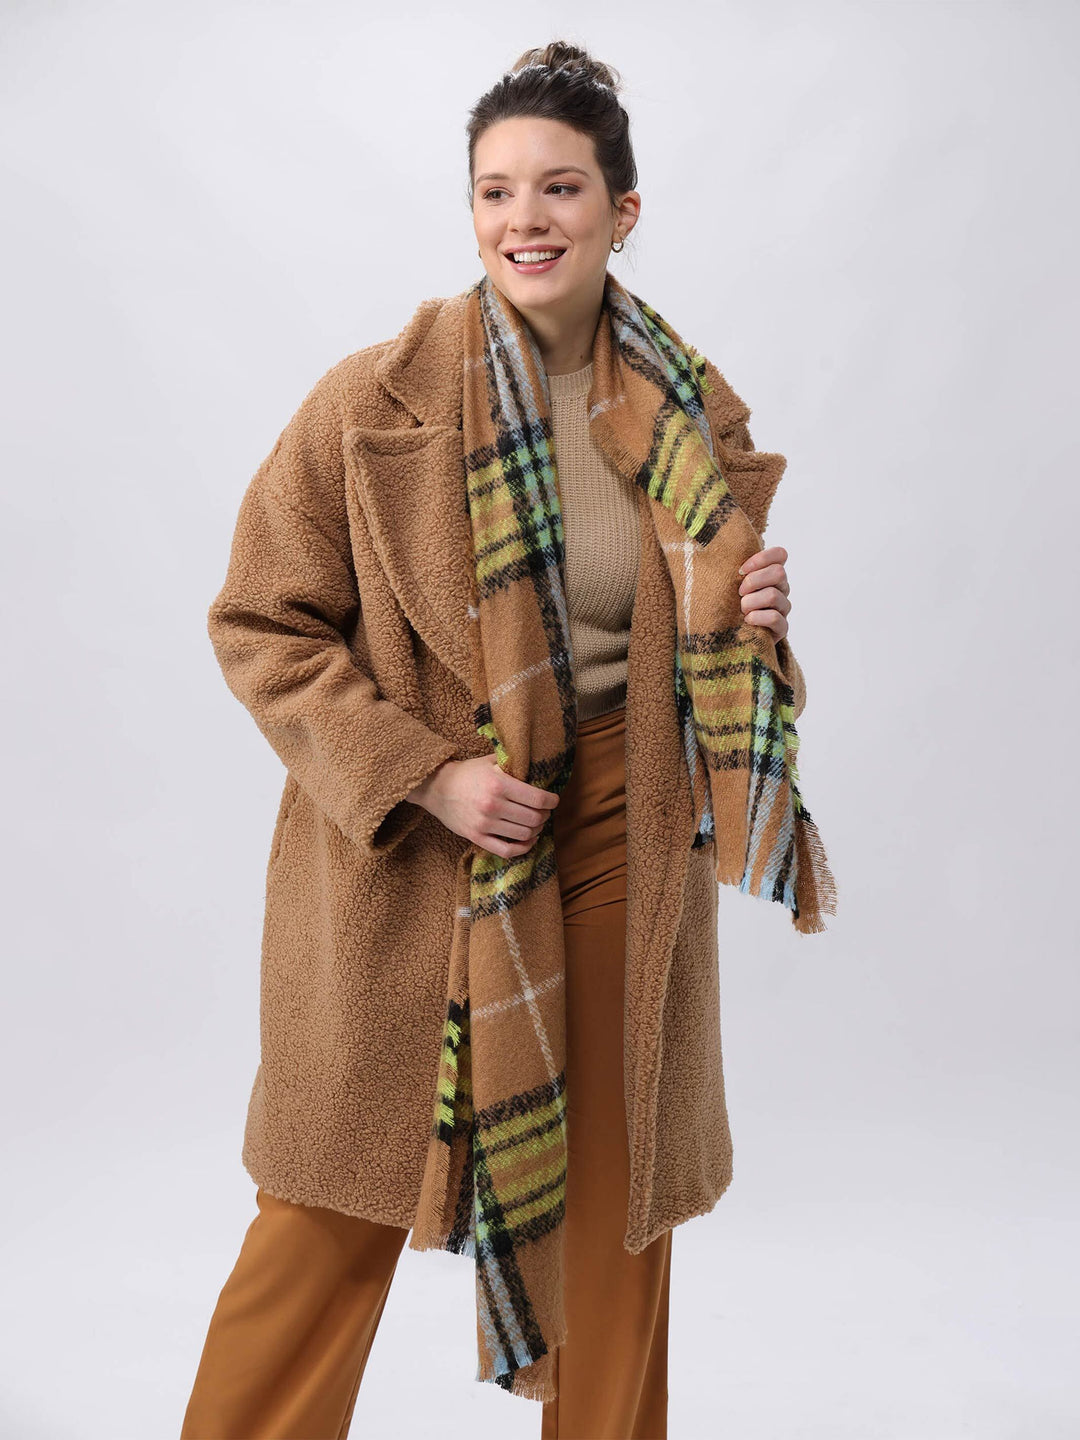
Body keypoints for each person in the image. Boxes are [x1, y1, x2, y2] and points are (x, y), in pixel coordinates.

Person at [180, 38, 821, 1440]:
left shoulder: (691, 419)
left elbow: (720, 670)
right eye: (495, 191)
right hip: (416, 859)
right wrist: (425, 775)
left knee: (615, 1216)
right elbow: (261, 622)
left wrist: (757, 619)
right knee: (326, 1212)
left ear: (621, 210)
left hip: (624, 831)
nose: (525, 218)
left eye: (560, 188)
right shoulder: (372, 404)